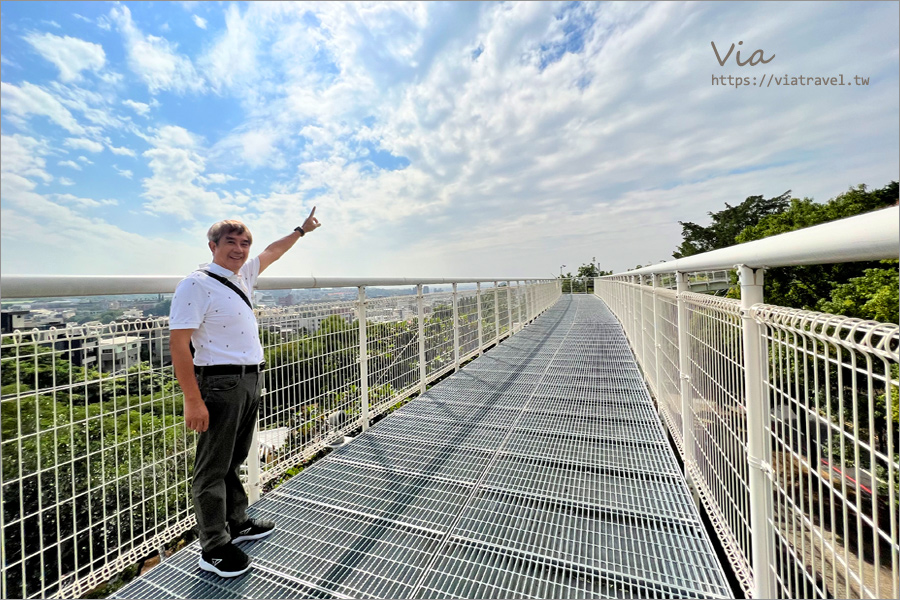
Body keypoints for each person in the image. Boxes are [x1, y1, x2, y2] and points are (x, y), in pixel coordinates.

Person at [169, 207, 321, 577]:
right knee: (211, 468)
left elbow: (272, 251)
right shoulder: (197, 283)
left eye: (244, 243)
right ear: (212, 245)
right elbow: (178, 344)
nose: (239, 249)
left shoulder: (241, 277)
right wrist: (192, 398)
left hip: (249, 380)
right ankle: (214, 547)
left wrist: (301, 230)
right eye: (231, 243)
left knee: (233, 458)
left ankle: (236, 523)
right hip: (219, 382)